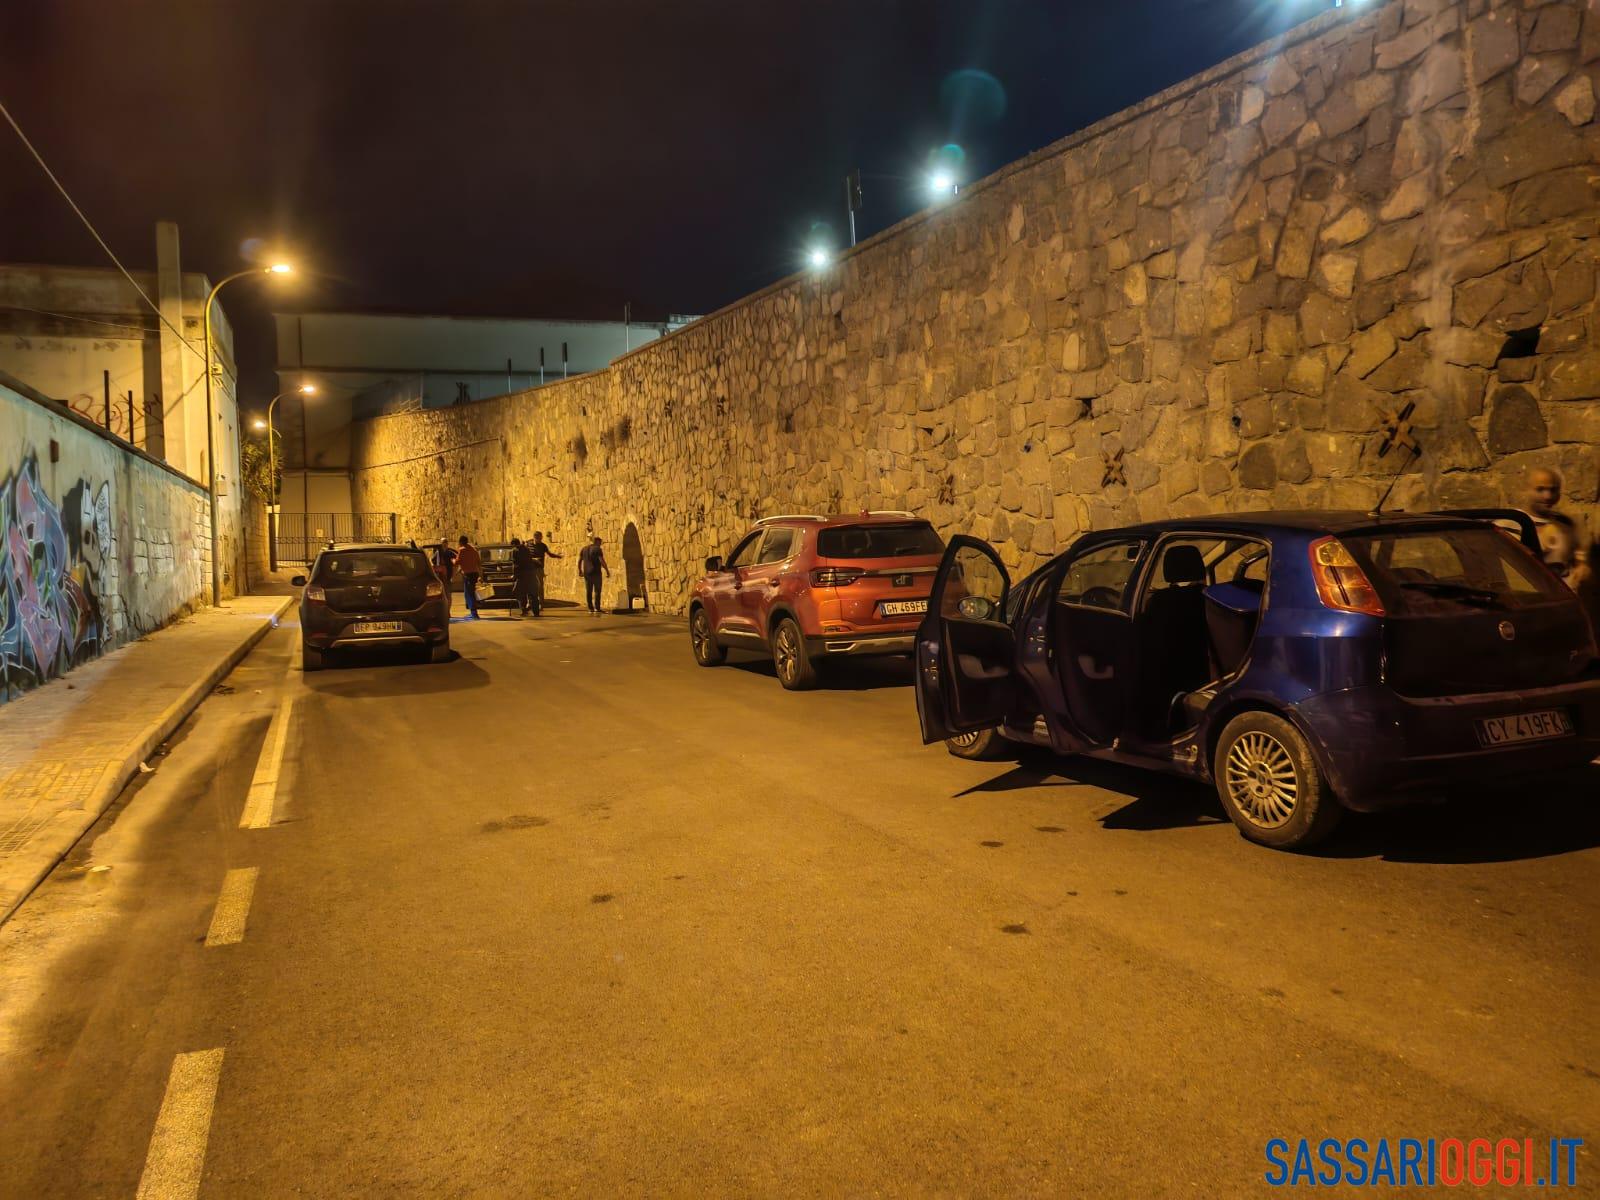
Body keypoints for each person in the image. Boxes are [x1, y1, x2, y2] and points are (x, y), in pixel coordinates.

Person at [1526, 467, 1578, 579]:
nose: (1548, 496)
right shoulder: (1512, 524)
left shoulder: (1566, 525)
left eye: (1553, 490)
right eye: (1540, 489)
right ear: (1527, 490)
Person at [526, 531, 562, 616]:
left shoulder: (543, 545)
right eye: (539, 538)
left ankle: (541, 604)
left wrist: (557, 556)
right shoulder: (528, 545)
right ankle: (529, 603)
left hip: (539, 569)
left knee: (540, 586)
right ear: (535, 537)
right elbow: (526, 556)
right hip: (530, 569)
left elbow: (549, 554)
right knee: (529, 586)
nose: (540, 539)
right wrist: (534, 559)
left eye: (541, 538)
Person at [577, 535, 610, 615]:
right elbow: (601, 560)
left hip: (587, 573)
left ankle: (590, 608)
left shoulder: (584, 549)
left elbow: (579, 560)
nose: (600, 544)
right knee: (597, 591)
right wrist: (607, 570)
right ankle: (597, 608)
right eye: (600, 542)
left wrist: (580, 570)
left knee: (589, 590)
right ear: (596, 541)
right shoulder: (597, 549)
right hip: (596, 572)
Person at [456, 533, 482, 619]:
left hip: (467, 574)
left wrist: (452, 560)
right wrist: (480, 575)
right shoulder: (474, 550)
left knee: (469, 593)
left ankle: (474, 613)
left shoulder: (462, 550)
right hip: (474, 573)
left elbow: (457, 562)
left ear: (461, 542)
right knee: (470, 592)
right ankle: (472, 610)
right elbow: (478, 562)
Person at [510, 536, 536, 617]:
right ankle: (530, 605)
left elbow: (515, 564)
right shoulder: (526, 549)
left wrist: (514, 575)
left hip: (521, 575)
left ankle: (523, 609)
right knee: (530, 591)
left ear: (514, 544)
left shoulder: (515, 551)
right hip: (530, 573)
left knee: (518, 592)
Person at [431, 538, 457, 615]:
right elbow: (432, 562)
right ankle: (442, 612)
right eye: (443, 543)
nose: (444, 544)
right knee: (441, 595)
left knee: (448, 595)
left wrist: (453, 574)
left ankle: (447, 612)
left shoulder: (450, 553)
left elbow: (455, 563)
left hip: (447, 577)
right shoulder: (437, 553)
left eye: (445, 542)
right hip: (440, 578)